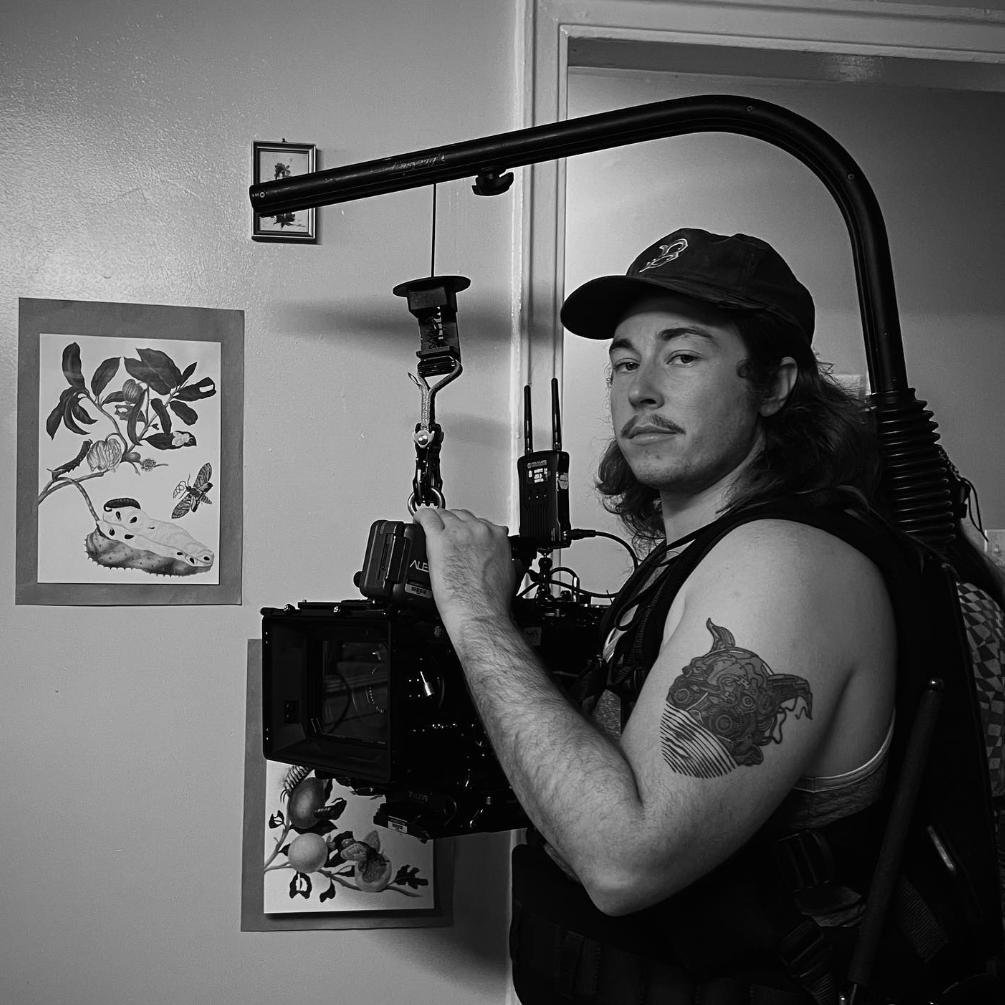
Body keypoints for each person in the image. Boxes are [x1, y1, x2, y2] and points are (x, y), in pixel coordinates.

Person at [413, 228, 1002, 1004]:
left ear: (775, 384)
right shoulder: (687, 557)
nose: (640, 388)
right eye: (623, 361)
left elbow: (625, 861)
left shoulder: (783, 563)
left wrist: (475, 615)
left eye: (681, 355)